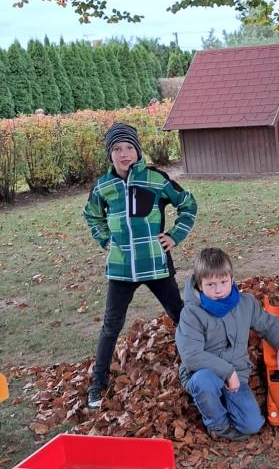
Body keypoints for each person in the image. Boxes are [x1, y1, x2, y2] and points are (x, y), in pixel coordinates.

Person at [84, 122, 197, 410]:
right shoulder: (103, 186)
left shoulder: (156, 179)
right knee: (111, 325)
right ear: (110, 154)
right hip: (121, 269)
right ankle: (98, 383)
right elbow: (92, 216)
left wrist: (175, 235)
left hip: (156, 264)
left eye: (129, 148)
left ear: (137, 150)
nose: (124, 154)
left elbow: (187, 204)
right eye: (117, 149)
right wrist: (105, 240)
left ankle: (200, 364)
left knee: (180, 314)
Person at [176, 247, 279, 440]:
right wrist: (228, 372)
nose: (218, 290)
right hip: (204, 373)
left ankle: (225, 401)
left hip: (237, 373)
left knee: (252, 425)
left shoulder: (245, 304)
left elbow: (268, 323)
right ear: (199, 285)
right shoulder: (191, 314)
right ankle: (218, 425)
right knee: (204, 382)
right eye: (210, 284)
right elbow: (191, 356)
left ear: (232, 279)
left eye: (223, 282)